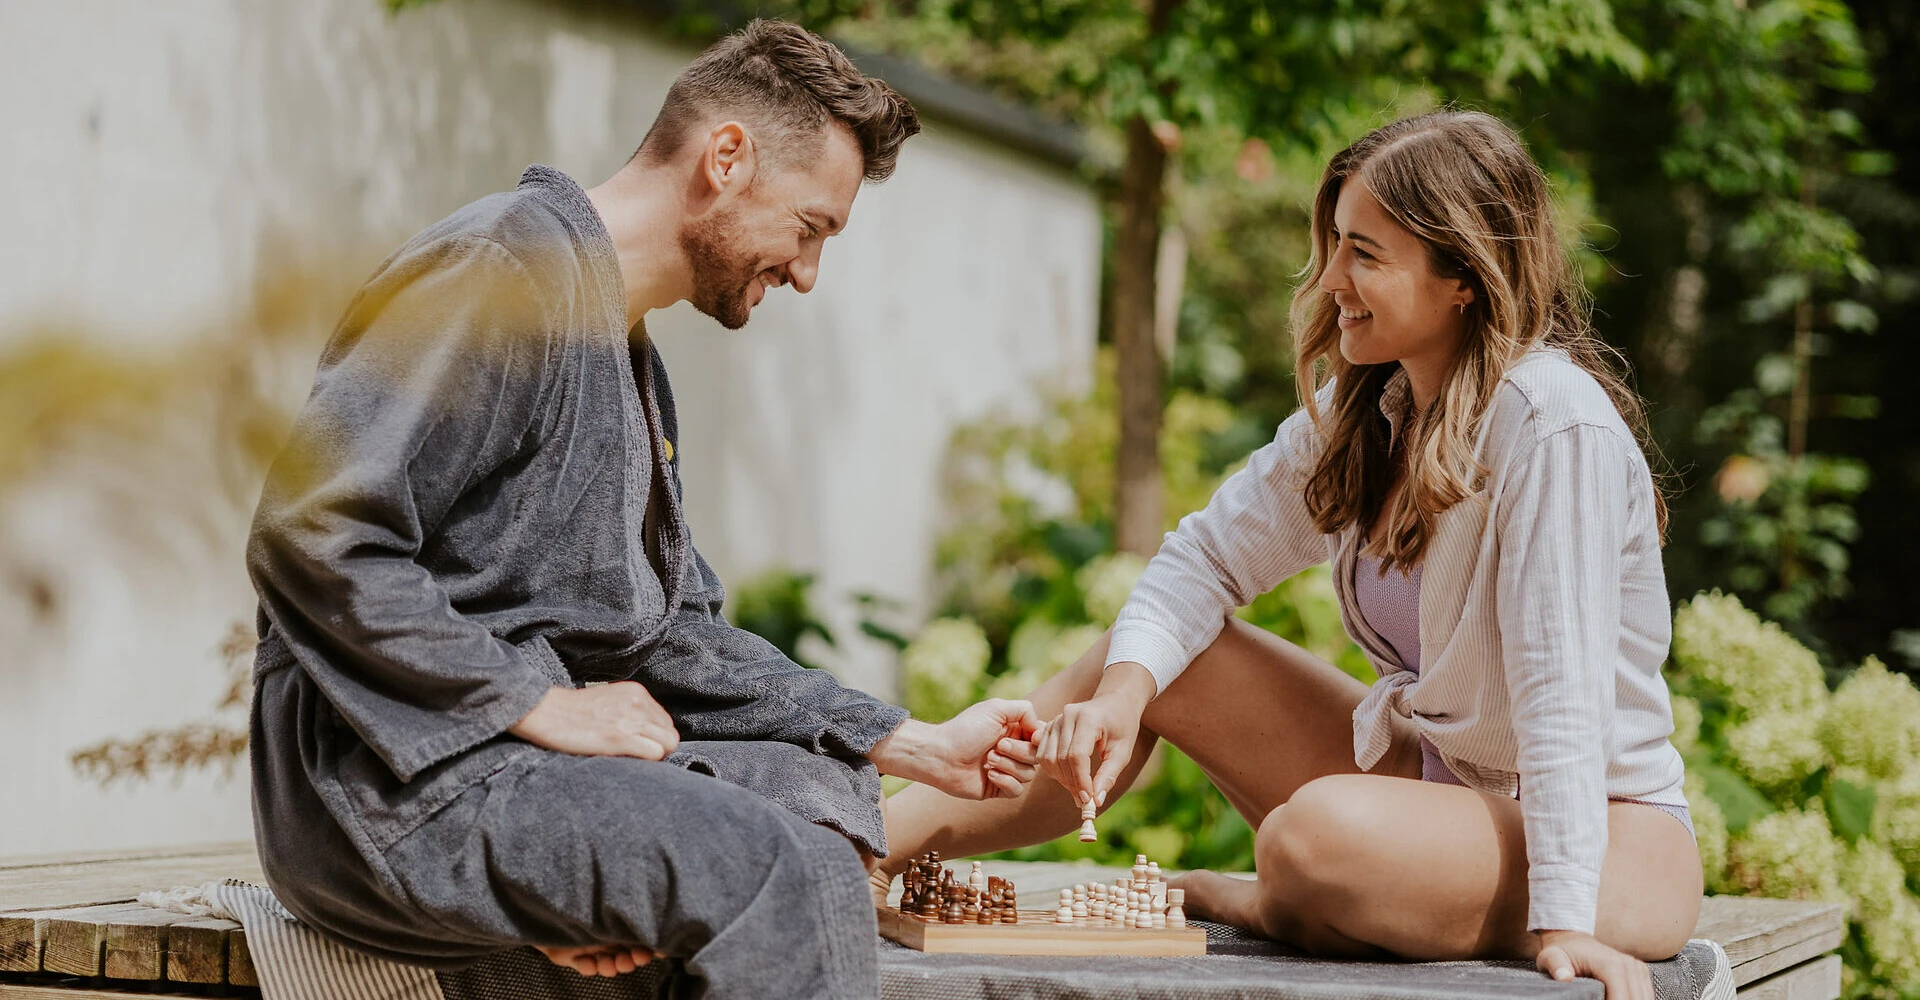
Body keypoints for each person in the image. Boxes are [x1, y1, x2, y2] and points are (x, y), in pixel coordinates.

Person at [245, 20, 1038, 1000]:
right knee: (777, 873)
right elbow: (317, 530)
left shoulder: (631, 361)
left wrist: (909, 740)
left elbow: (677, 639)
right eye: (811, 227)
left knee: (822, 796)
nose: (806, 272)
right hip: (391, 792)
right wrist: (537, 703)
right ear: (727, 158)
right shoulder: (502, 272)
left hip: (525, 781)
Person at [879, 110, 1707, 1000]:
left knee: (1315, 839)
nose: (1330, 279)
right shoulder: (1368, 411)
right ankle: (865, 844)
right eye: (1333, 245)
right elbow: (1199, 564)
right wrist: (1122, 700)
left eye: (1364, 253)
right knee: (1152, 659)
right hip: (1430, 787)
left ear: (1463, 275)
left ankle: (1269, 897)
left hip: (1605, 842)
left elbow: (1561, 696)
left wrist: (1563, 923)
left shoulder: (1551, 422)